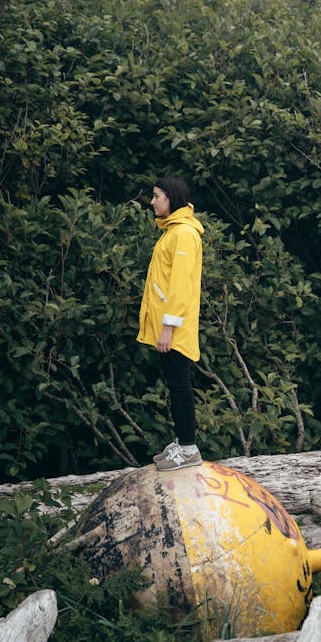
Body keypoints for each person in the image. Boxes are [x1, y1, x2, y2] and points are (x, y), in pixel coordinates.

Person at [137, 175, 204, 470]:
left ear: (171, 198)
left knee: (180, 385)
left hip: (174, 327)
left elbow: (179, 285)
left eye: (157, 196)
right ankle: (182, 442)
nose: (152, 202)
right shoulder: (173, 231)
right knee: (175, 382)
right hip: (169, 325)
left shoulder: (184, 235)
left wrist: (168, 326)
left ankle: (188, 448)